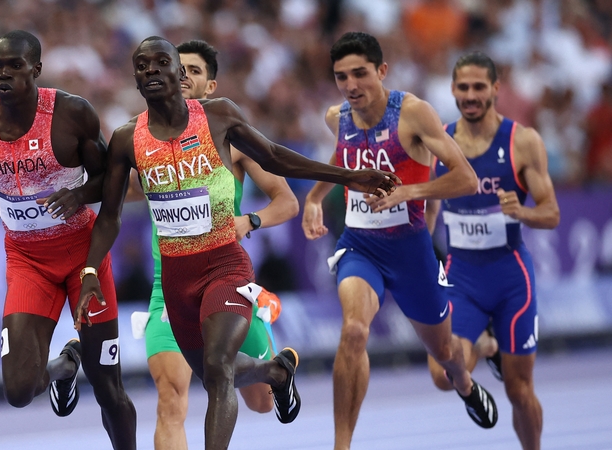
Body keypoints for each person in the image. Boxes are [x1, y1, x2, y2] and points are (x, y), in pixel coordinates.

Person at [78, 36, 398, 450]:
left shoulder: (218, 117)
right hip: (174, 279)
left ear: (179, 73)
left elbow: (275, 157)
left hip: (224, 265)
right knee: (215, 371)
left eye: (162, 63)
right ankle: (275, 372)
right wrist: (89, 270)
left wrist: (347, 177)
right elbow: (109, 213)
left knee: (216, 370)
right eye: (142, 66)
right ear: (136, 80)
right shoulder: (126, 139)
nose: (152, 70)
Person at [301, 31, 498, 448]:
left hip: (411, 252)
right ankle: (341, 444)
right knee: (354, 331)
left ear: (382, 70)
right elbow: (343, 155)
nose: (351, 86)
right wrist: (316, 197)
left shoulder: (412, 114)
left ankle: (464, 383)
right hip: (361, 245)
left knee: (445, 355)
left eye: (360, 74)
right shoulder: (336, 117)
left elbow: (466, 179)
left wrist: (407, 192)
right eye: (341, 77)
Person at [0, 30, 136, 450]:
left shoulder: (72, 114)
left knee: (109, 390)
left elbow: (112, 178)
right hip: (27, 261)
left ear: (35, 69)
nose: (4, 73)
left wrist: (79, 194)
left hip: (81, 255)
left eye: (15, 65)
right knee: (19, 390)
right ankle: (65, 365)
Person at [128, 39, 299, 450]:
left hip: (224, 278)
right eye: (177, 68)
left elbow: (287, 201)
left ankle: (273, 372)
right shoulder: (145, 136)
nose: (182, 76)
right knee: (171, 399)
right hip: (167, 287)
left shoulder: (232, 139)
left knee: (258, 403)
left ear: (210, 87)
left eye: (194, 71)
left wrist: (249, 220)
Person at [426, 51, 559, 450]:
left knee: (519, 390)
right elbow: (429, 212)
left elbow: (551, 213)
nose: (470, 95)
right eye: (463, 87)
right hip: (462, 278)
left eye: (479, 87)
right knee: (440, 375)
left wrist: (523, 212)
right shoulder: (439, 142)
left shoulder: (523, 142)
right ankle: (486, 346)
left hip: (511, 280)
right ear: (452, 90)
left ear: (495, 89)